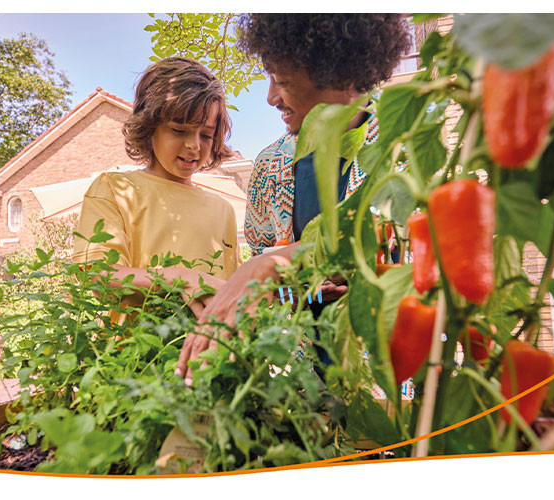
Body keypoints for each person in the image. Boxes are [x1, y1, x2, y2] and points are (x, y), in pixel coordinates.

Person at [176, 14, 412, 382]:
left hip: (392, 380)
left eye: (281, 81)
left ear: (338, 72)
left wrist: (269, 266)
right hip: (301, 390)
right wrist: (299, 293)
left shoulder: (404, 143)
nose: (271, 98)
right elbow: (268, 296)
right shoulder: (270, 166)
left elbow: (387, 245)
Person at [72, 57, 239, 319]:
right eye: (179, 130)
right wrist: (180, 278)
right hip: (134, 356)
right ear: (150, 127)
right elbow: (97, 276)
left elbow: (229, 292)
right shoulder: (115, 189)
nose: (194, 145)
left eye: (205, 134)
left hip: (210, 355)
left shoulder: (223, 210)